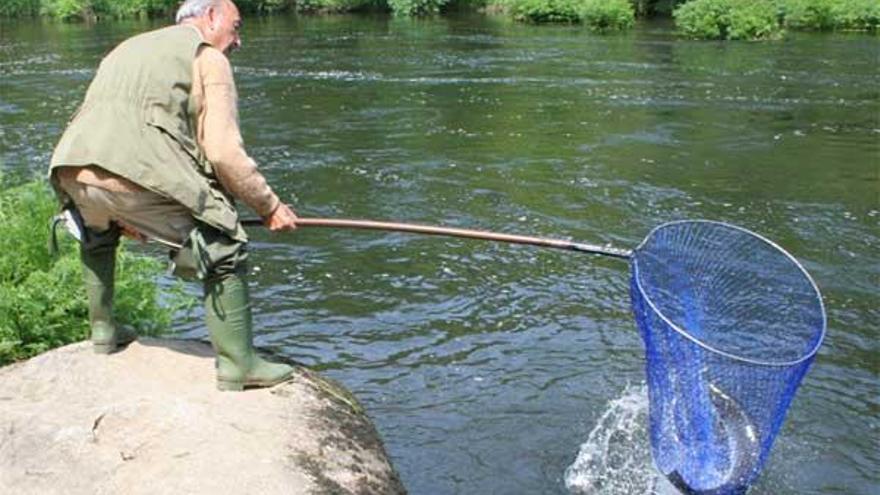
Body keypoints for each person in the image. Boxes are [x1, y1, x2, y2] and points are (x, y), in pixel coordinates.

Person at [48, 0, 298, 391]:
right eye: (236, 27)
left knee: (97, 237)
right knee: (224, 246)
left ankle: (103, 330)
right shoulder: (208, 58)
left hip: (71, 168)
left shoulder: (127, 46)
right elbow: (222, 153)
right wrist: (269, 206)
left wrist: (119, 210)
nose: (238, 41)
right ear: (211, 15)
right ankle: (239, 365)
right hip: (133, 176)